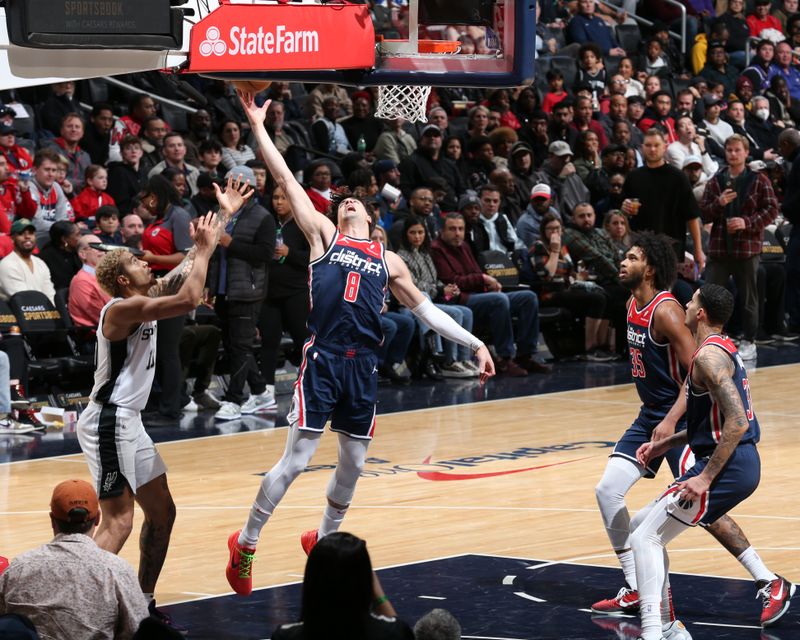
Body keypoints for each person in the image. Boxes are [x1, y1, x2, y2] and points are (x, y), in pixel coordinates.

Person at [224, 90, 494, 597]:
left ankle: (323, 541)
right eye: (342, 199)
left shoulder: (387, 261)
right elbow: (283, 176)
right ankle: (247, 541)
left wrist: (475, 341)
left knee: (353, 464)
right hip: (324, 359)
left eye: (355, 202)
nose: (346, 201)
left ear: (372, 221)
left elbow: (428, 312)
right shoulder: (324, 235)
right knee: (298, 460)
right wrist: (258, 126)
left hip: (363, 366)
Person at [591, 236, 791, 629]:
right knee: (607, 490)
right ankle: (635, 584)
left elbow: (693, 375)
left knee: (701, 504)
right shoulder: (632, 303)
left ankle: (767, 579)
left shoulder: (668, 314)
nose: (622, 261)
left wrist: (671, 423)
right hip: (651, 417)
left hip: (682, 418)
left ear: (649, 268)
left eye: (631, 257)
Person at [77, 181, 247, 631]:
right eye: (136, 261)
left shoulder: (143, 299)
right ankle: (73, 602)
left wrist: (222, 214)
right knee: (118, 522)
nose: (145, 260)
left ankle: (142, 602)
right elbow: (190, 296)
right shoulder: (119, 309)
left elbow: (187, 265)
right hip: (108, 419)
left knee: (163, 512)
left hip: (128, 421)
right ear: (120, 279)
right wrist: (206, 251)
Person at [631, 284, 793, 638]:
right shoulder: (716, 349)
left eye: (691, 302)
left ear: (700, 313)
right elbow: (712, 422)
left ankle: (655, 632)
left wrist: (704, 478)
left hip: (730, 466)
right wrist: (665, 444)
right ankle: (668, 627)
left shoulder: (708, 358)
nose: (685, 305)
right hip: (730, 460)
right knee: (640, 527)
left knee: (645, 537)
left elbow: (738, 421)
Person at [0, 479, 149, 639]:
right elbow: (141, 631)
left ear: (52, 520)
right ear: (98, 518)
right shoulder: (117, 570)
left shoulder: (18, 568)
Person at [431, 212, 548, 376]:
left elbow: (476, 272)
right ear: (442, 231)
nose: (457, 233)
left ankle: (525, 355)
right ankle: (504, 358)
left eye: (460, 229)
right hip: (460, 299)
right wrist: (483, 278)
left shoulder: (464, 246)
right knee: (499, 300)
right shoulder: (436, 249)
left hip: (480, 295)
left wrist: (488, 283)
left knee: (527, 297)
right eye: (452, 229)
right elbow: (451, 281)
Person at [700, 134, 779, 360]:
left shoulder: (759, 179)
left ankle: (749, 340)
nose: (733, 154)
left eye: (737, 150)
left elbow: (772, 209)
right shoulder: (716, 179)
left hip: (747, 249)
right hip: (719, 248)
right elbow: (704, 212)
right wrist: (719, 203)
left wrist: (748, 223)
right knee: (710, 296)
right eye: (729, 150)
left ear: (746, 153)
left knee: (748, 298)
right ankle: (709, 339)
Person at [207, 165, 277, 421]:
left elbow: (265, 254)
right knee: (233, 345)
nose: (227, 188)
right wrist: (210, 286)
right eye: (226, 184)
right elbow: (214, 256)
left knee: (240, 346)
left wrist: (231, 243)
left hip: (247, 291)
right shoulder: (221, 213)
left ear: (247, 187)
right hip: (224, 290)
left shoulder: (263, 217)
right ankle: (260, 392)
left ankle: (235, 399)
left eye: (232, 184)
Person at [271, 532, 413, 640]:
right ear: (367, 582)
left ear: (310, 582)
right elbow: (400, 630)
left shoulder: (284, 636)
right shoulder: (392, 632)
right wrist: (379, 596)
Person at [396, 216, 479, 378]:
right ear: (405, 235)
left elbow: (433, 279)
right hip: (412, 303)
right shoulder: (401, 256)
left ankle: (463, 359)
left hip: (430, 299)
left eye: (421, 232)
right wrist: (441, 290)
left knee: (466, 312)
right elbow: (413, 285)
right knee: (456, 313)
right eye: (413, 233)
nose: (417, 236)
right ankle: (449, 362)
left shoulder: (425, 253)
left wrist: (447, 288)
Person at [530, 212, 610, 360]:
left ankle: (601, 345)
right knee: (596, 299)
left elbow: (570, 273)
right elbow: (546, 275)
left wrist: (580, 277)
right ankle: (590, 348)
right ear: (543, 231)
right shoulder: (538, 246)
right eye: (550, 229)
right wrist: (554, 250)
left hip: (566, 290)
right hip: (548, 294)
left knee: (604, 294)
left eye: (557, 228)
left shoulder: (563, 247)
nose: (555, 232)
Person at [257, 184, 311, 395]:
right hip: (269, 293)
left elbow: (315, 258)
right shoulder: (267, 223)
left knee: (303, 340)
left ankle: (310, 383)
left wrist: (290, 253)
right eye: (276, 198)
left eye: (283, 198)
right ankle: (266, 390)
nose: (278, 202)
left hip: (296, 292)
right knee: (269, 342)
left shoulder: (303, 224)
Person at [16, 149, 71, 244]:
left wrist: (63, 227)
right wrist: (61, 227)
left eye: (54, 170)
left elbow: (63, 219)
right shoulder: (29, 187)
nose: (50, 174)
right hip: (33, 235)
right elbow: (36, 224)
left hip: (53, 233)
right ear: (34, 170)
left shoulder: (56, 187)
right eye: (47, 169)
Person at [0, 219, 56, 303]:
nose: (27, 237)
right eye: (21, 234)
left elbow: (50, 294)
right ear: (12, 238)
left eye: (31, 233)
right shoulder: (7, 265)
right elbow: (24, 299)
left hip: (44, 312)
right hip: (18, 313)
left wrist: (54, 312)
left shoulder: (40, 263)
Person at [68, 234, 110, 330]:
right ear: (83, 254)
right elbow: (104, 318)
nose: (102, 251)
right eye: (96, 247)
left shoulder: (109, 276)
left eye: (102, 247)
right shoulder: (81, 282)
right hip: (95, 339)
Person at [38, 220, 81, 291]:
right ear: (64, 239)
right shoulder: (47, 257)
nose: (81, 237)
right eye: (77, 235)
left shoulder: (77, 251)